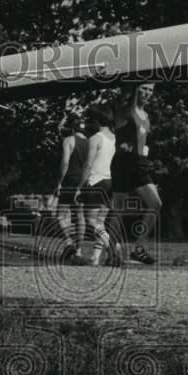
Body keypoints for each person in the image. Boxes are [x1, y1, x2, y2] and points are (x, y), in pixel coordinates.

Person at [107, 82, 160, 265]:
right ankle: (112, 254)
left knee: (155, 203)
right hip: (123, 161)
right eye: (143, 88)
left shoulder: (145, 116)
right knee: (119, 209)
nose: (147, 93)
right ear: (136, 89)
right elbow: (124, 107)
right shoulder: (125, 111)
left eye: (150, 90)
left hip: (139, 162)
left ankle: (138, 248)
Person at [51, 110, 90, 263]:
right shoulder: (89, 142)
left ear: (72, 129)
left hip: (70, 180)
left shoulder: (69, 140)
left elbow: (65, 162)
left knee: (60, 215)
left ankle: (68, 243)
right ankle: (78, 252)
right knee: (80, 217)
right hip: (83, 182)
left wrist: (60, 182)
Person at [79, 107, 116, 266]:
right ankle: (95, 257)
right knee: (100, 222)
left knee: (91, 221)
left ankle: (111, 247)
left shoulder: (95, 138)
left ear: (96, 121)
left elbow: (88, 164)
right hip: (109, 181)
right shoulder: (114, 138)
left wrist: (80, 186)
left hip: (95, 181)